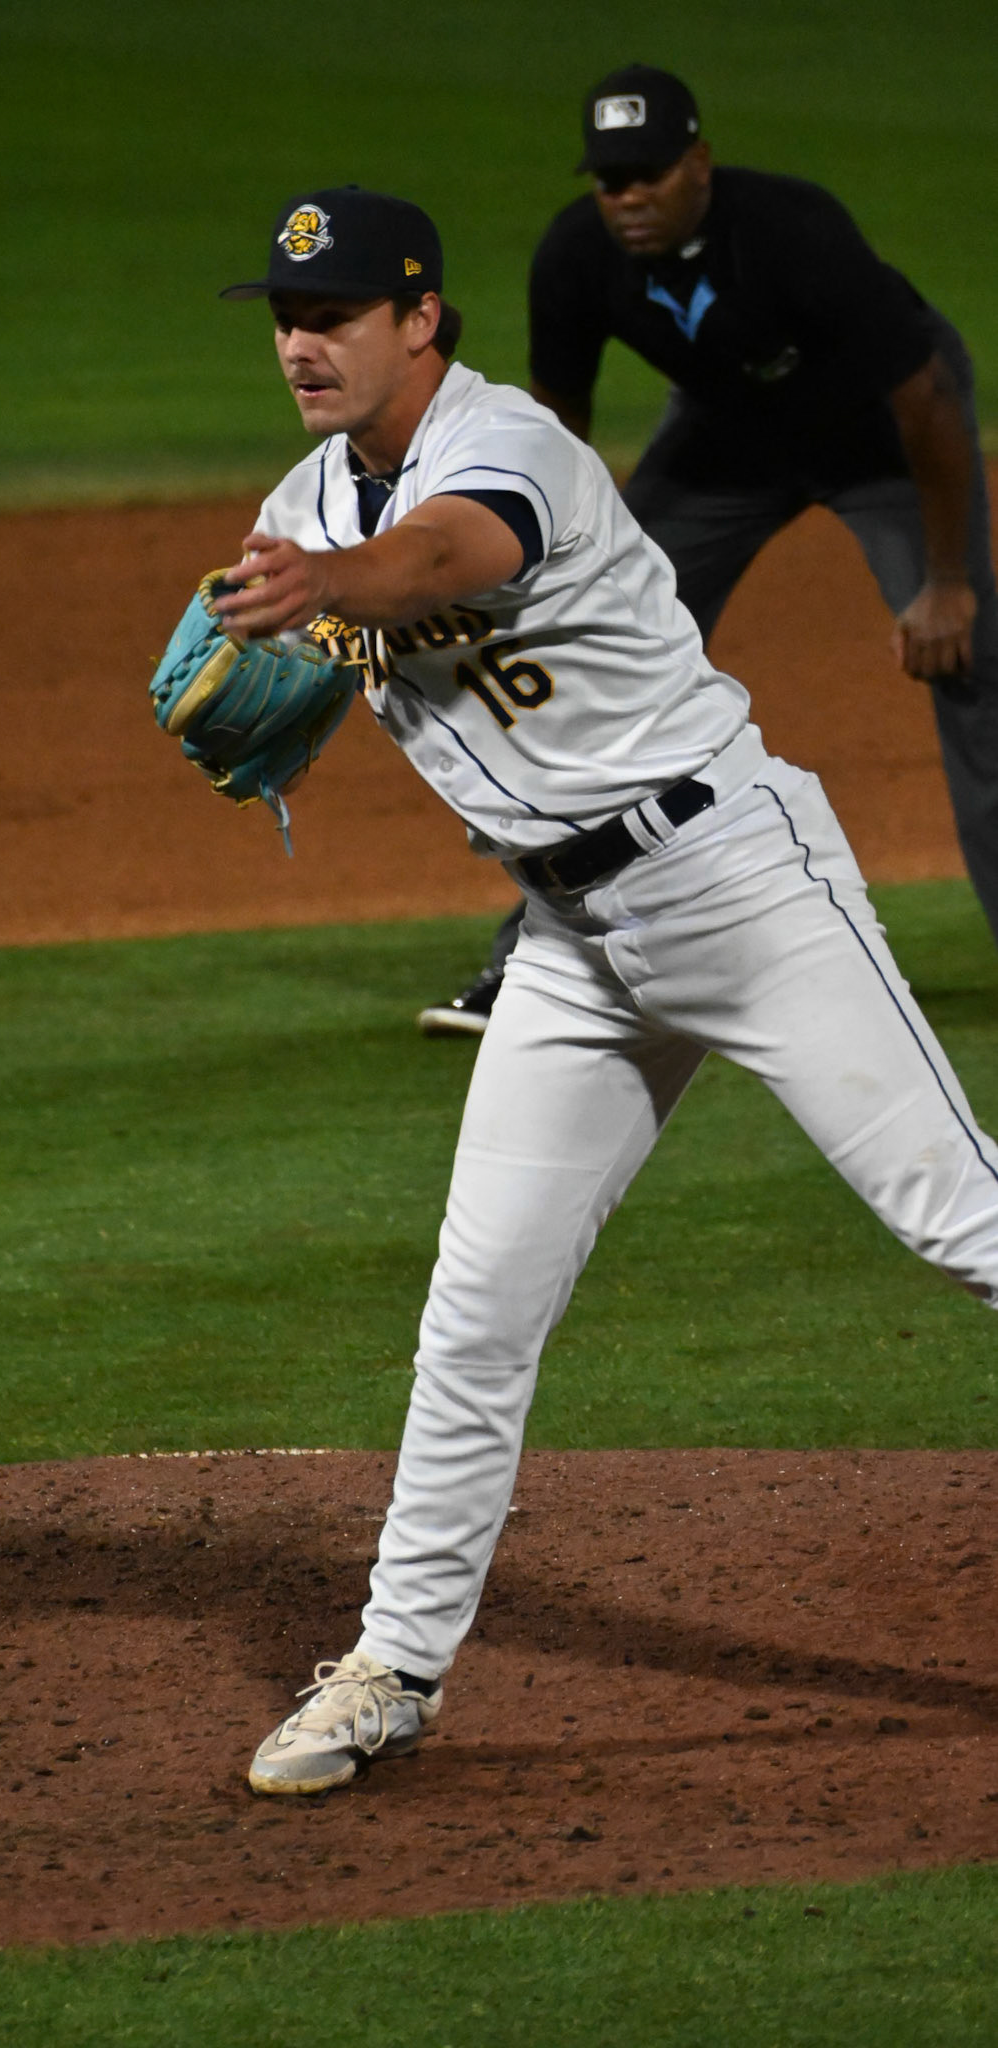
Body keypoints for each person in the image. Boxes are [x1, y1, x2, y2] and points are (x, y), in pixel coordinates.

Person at [209, 183, 998, 1797]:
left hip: (739, 885)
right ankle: (392, 1669)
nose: (301, 344)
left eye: (335, 314)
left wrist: (333, 587)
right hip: (571, 944)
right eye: (286, 318)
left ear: (421, 318)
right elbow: (345, 612)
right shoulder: (305, 499)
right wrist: (273, 655)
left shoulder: (511, 446)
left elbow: (443, 554)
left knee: (959, 1217)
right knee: (476, 1311)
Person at [417, 63, 998, 1039]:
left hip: (879, 443)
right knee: (592, 656)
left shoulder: (791, 231)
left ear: (699, 163)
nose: (628, 198)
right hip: (726, 445)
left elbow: (927, 395)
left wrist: (946, 581)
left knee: (973, 663)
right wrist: (539, 583)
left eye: (648, 174)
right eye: (611, 180)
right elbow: (549, 439)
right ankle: (536, 960)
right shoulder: (575, 255)